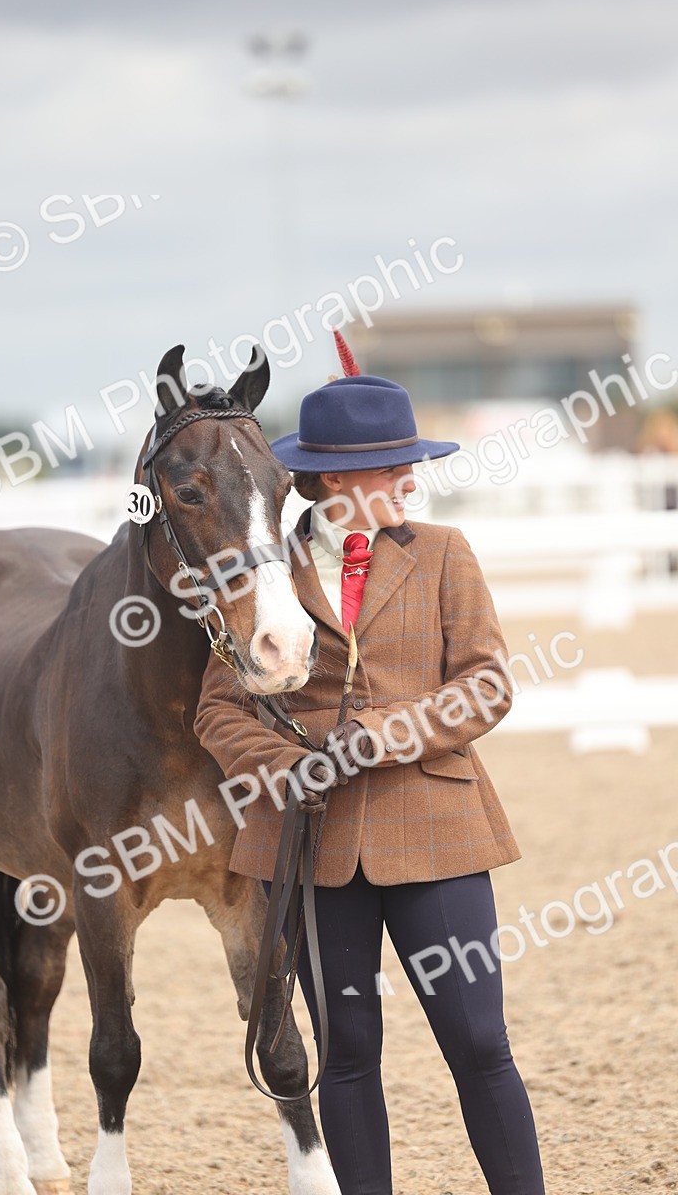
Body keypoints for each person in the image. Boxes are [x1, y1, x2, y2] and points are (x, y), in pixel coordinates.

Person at [193, 333, 547, 1195]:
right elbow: (216, 708)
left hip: (437, 833)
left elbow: (489, 686)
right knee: (347, 1057)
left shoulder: (444, 555)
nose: (410, 480)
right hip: (311, 845)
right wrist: (286, 765)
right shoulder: (255, 572)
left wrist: (388, 733)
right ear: (333, 481)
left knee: (480, 1045)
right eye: (394, 467)